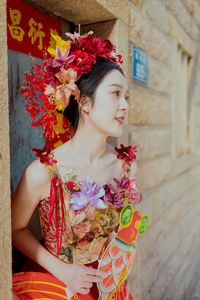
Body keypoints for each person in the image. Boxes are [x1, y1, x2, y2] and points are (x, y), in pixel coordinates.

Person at [12, 31, 148, 300]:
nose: (124, 105)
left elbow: (122, 230)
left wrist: (120, 273)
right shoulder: (42, 172)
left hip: (110, 284)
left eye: (127, 97)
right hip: (55, 284)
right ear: (84, 102)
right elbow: (13, 230)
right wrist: (62, 270)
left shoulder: (125, 166)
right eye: (115, 94)